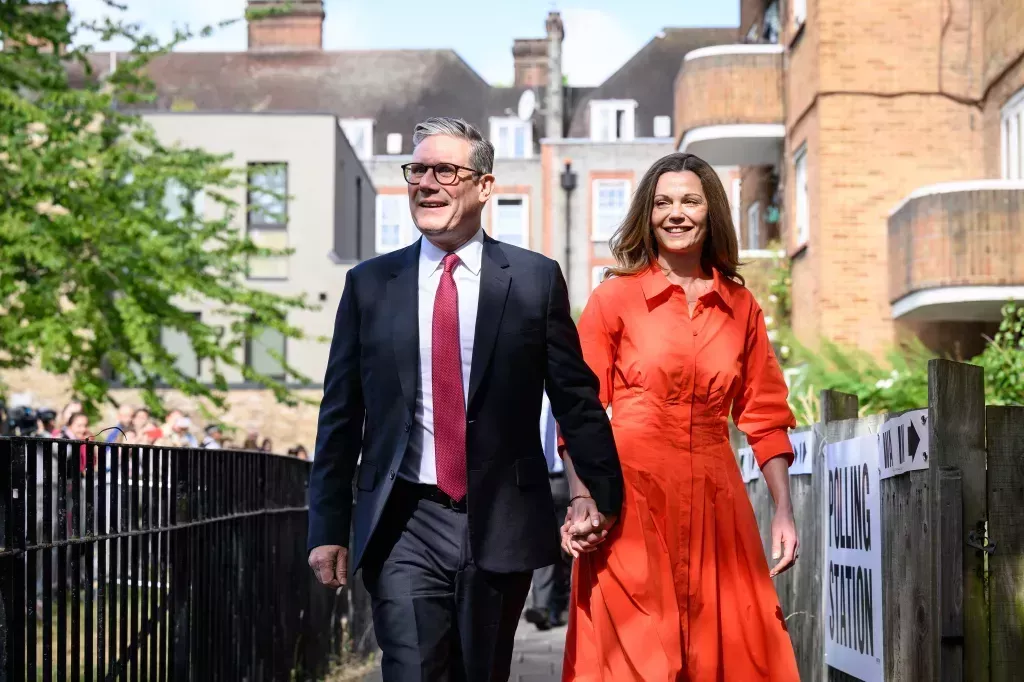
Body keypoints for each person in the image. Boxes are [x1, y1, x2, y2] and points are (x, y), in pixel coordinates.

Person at [307, 116, 622, 681]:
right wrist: (327, 526)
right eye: (417, 170)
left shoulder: (533, 280)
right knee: (414, 670)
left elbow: (575, 397)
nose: (426, 183)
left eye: (445, 170)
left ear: (483, 185)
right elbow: (340, 414)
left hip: (501, 516)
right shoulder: (369, 285)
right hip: (404, 519)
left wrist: (596, 496)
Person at [559, 152, 801, 681]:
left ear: (710, 211)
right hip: (630, 502)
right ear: (647, 214)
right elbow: (578, 413)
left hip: (719, 504)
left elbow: (763, 414)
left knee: (732, 655)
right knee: (635, 659)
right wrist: (582, 500)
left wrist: (783, 511)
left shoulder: (742, 307)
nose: (677, 213)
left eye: (690, 201)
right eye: (663, 202)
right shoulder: (614, 299)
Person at [522, 391, 572, 631]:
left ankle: (560, 606)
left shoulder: (569, 394)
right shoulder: (533, 395)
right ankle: (542, 607)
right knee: (543, 542)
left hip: (570, 481)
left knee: (567, 548)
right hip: (541, 480)